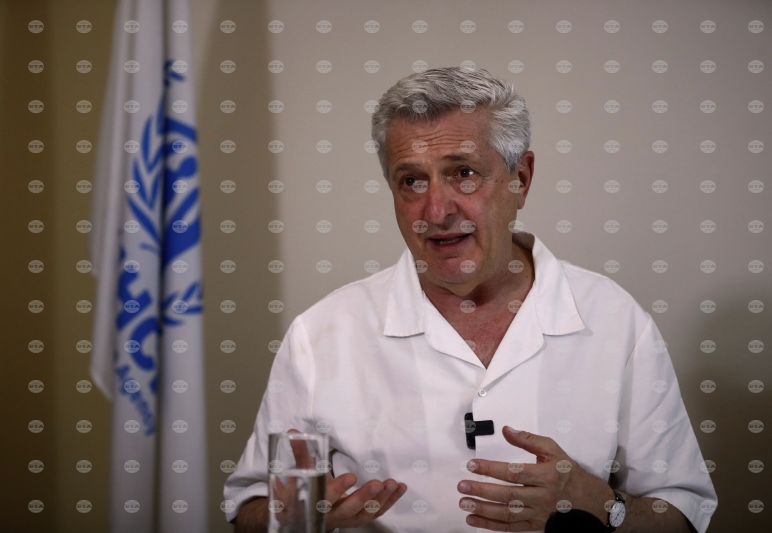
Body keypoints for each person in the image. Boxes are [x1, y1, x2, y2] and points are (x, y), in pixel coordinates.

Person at [225, 67, 717, 532]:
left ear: (521, 179)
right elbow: (248, 509)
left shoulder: (613, 319)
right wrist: (301, 517)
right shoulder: (321, 334)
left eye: (463, 173)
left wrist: (601, 505)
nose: (436, 210)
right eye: (411, 181)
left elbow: (681, 514)